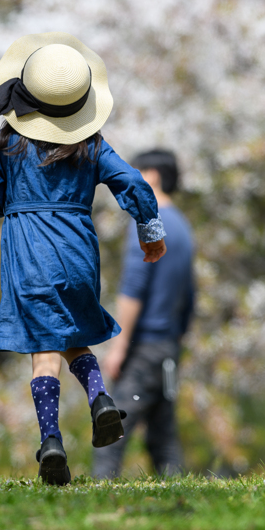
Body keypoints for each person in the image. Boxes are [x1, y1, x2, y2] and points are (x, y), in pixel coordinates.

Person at [0, 32, 167, 486]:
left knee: (44, 348)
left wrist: (18, 207)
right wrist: (150, 231)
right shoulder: (94, 144)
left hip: (28, 249)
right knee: (73, 333)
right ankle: (100, 398)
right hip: (78, 249)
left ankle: (51, 441)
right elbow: (133, 182)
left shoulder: (7, 142)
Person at [93, 149, 194, 479]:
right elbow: (190, 294)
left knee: (112, 429)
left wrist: (119, 348)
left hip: (143, 348)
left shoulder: (149, 221)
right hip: (167, 348)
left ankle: (94, 501)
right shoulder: (182, 226)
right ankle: (179, 496)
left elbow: (133, 287)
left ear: (151, 176)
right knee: (163, 436)